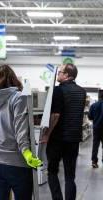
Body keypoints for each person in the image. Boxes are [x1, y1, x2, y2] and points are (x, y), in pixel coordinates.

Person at [0, 64, 42, 200]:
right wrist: (27, 154)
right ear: (14, 78)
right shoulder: (18, 98)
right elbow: (20, 131)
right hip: (17, 165)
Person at [41, 63, 86, 200]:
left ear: (66, 75)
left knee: (52, 172)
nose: (58, 74)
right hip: (74, 139)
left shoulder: (58, 90)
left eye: (60, 72)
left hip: (58, 139)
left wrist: (47, 134)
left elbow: (56, 115)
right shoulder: (82, 91)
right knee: (70, 176)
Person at [88, 92, 103, 168]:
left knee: (95, 145)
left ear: (99, 97)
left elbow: (90, 117)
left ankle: (94, 161)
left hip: (96, 128)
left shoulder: (93, 105)